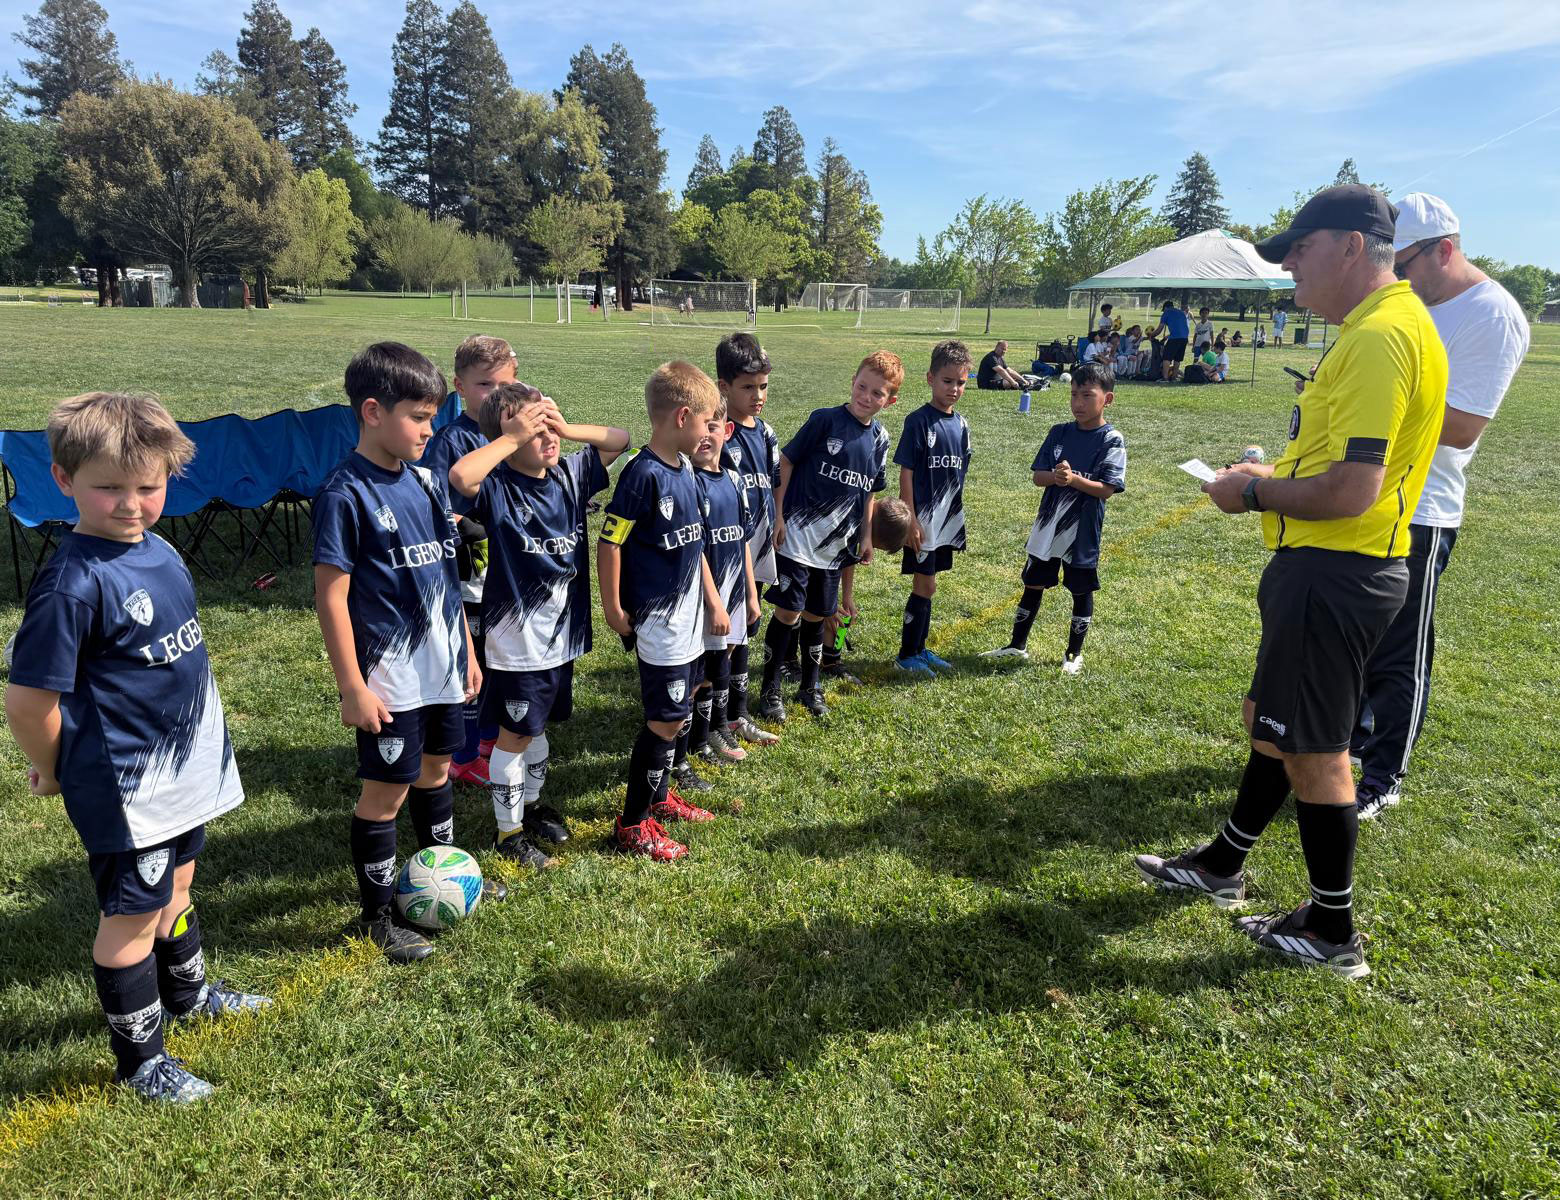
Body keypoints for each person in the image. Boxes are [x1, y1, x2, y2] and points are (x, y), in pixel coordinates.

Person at [1135, 185, 1448, 979]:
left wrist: (1253, 493)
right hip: (1337, 568)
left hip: (1336, 570)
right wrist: (1268, 472)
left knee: (1316, 751)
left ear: (1351, 245)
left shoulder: (1380, 336)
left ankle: (1333, 930)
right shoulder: (1388, 325)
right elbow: (1347, 463)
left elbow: (1353, 489)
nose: (1290, 269)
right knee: (1273, 724)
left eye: (1299, 251)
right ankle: (1222, 864)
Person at [4, 392, 269, 1103]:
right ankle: (141, 1064)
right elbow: (27, 702)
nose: (131, 504)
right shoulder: (73, 584)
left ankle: (189, 995)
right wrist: (55, 768)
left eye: (148, 487)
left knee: (177, 886)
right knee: (129, 920)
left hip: (185, 771)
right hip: (129, 789)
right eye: (110, 488)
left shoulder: (158, 549)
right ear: (64, 480)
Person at [313, 342, 498, 966]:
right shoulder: (345, 494)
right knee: (386, 792)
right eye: (418, 417)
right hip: (390, 677)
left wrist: (466, 650)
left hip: (442, 666)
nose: (428, 430)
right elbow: (331, 598)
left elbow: (445, 577)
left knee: (437, 771)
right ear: (373, 412)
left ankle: (442, 878)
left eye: (432, 417)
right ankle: (376, 916)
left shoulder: (423, 481)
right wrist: (352, 686)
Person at [1351, 193, 1531, 819]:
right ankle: (1351, 745)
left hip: (1423, 507)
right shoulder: (1413, 303)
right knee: (1360, 636)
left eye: (1403, 265)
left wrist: (1368, 408)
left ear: (1445, 250)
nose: (1395, 277)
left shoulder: (1491, 313)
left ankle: (1384, 776)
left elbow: (1461, 427)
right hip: (1371, 491)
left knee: (1401, 648)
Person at [446, 382, 628, 863]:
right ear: (509, 440)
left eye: (548, 425)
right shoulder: (499, 487)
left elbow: (620, 438)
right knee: (515, 736)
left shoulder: (569, 475)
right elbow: (461, 476)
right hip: (519, 643)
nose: (547, 437)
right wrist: (510, 438)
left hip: (561, 637)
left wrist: (563, 426)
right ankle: (508, 835)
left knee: (538, 729)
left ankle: (530, 806)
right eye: (535, 430)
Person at [597, 362, 729, 860]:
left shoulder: (686, 470)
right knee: (664, 722)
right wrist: (613, 608)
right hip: (660, 624)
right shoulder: (642, 475)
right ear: (682, 417)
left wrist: (712, 600)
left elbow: (694, 547)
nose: (711, 433)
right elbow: (610, 542)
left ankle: (659, 797)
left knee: (682, 707)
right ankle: (633, 824)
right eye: (707, 423)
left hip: (690, 620)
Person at [757, 350, 897, 720]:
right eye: (862, 386)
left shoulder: (880, 439)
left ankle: (810, 686)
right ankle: (770, 689)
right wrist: (779, 514)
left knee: (818, 616)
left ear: (890, 401)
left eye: (877, 393)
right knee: (789, 612)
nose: (866, 396)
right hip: (798, 537)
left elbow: (870, 492)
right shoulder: (825, 420)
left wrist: (866, 536)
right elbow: (786, 461)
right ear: (853, 381)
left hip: (835, 548)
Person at [982, 361, 1125, 671]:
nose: (1078, 403)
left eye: (1087, 396)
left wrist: (1073, 480)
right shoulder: (1059, 432)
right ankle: (1017, 645)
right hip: (1048, 527)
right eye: (1073, 395)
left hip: (1082, 532)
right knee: (1032, 583)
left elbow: (1107, 489)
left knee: (1081, 589)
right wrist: (1057, 477)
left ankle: (1073, 655)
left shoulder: (1111, 439)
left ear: (1108, 399)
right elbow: (1038, 476)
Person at [420, 334, 517, 789]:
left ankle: (488, 741)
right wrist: (465, 524)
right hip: (472, 578)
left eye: (504, 385)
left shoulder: (516, 436)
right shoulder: (451, 441)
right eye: (484, 385)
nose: (495, 395)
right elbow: (435, 506)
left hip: (511, 574)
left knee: (498, 662)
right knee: (471, 664)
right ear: (459, 386)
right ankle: (462, 754)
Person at [714, 332, 782, 748]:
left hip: (756, 547)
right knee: (724, 638)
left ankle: (737, 715)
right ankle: (715, 720)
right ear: (724, 386)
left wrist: (778, 518)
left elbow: (774, 481)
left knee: (744, 633)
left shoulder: (766, 432)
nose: (758, 396)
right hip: (726, 552)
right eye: (748, 387)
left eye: (763, 386)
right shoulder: (718, 435)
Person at [894, 340, 973, 676]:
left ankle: (920, 649)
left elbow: (961, 472)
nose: (954, 389)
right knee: (924, 585)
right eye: (947, 381)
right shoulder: (918, 421)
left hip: (945, 521)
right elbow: (907, 472)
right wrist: (910, 519)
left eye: (961, 382)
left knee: (930, 585)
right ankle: (907, 654)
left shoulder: (962, 425)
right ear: (930, 378)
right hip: (923, 522)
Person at [688, 403, 760, 767]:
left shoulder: (734, 480)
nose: (705, 437)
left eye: (713, 428)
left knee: (722, 661)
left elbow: (743, 539)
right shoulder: (689, 482)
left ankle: (715, 728)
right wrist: (713, 600)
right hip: (704, 598)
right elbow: (695, 548)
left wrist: (751, 593)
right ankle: (698, 737)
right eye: (698, 428)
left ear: (727, 431)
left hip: (733, 592)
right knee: (702, 671)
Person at [1145, 299, 1190, 381]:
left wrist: (1151, 335)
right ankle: (1174, 377)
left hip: (1175, 338)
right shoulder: (1181, 313)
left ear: (1165, 308)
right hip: (1184, 338)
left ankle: (1165, 378)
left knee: (1166, 358)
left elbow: (1159, 329)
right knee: (1177, 359)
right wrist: (1168, 336)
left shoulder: (1166, 312)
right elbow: (1182, 328)